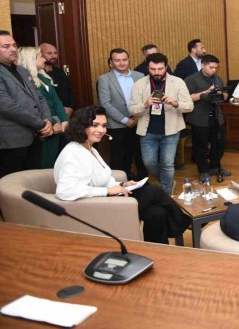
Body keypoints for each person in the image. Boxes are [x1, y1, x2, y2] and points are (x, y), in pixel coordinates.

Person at [54, 106, 190, 244]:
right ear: (81, 126)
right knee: (153, 191)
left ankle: (156, 250)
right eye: (95, 125)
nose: (101, 130)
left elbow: (101, 179)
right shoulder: (73, 153)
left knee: (156, 213)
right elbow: (65, 191)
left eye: (104, 126)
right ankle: (185, 222)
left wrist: (122, 184)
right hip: (94, 209)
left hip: (104, 200)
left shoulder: (89, 148)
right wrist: (107, 191)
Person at [128, 52, 193, 195]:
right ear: (147, 68)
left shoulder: (178, 82)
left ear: (166, 67)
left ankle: (166, 193)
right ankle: (167, 182)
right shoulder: (139, 84)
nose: (157, 72)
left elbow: (190, 106)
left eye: (160, 69)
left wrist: (175, 103)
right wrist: (145, 104)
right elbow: (132, 109)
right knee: (148, 163)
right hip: (147, 131)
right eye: (153, 69)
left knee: (167, 164)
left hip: (171, 130)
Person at [0, 31, 53, 177]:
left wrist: (47, 119)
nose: (13, 49)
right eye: (6, 46)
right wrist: (40, 123)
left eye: (14, 45)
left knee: (31, 179)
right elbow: (7, 106)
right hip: (11, 141)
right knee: (11, 183)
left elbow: (39, 97)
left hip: (34, 137)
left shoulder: (22, 71)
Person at [97, 48, 146, 179]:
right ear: (111, 63)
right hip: (117, 124)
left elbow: (145, 98)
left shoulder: (140, 76)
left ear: (128, 60)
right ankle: (120, 181)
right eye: (117, 60)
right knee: (118, 156)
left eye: (124, 60)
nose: (122, 63)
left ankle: (140, 180)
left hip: (139, 121)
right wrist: (125, 120)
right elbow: (106, 104)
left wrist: (138, 116)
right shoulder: (104, 79)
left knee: (139, 154)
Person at [16, 47, 68, 168]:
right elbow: (33, 107)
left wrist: (64, 120)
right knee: (44, 164)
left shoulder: (43, 77)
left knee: (55, 163)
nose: (44, 59)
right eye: (40, 57)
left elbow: (56, 101)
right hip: (45, 126)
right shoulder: (26, 81)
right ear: (30, 60)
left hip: (57, 126)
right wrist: (53, 122)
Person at [185, 54, 230, 181]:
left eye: (216, 68)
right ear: (203, 65)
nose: (214, 70)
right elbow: (187, 98)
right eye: (211, 67)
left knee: (219, 143)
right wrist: (207, 92)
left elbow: (225, 95)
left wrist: (222, 94)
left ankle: (215, 166)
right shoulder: (191, 79)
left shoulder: (217, 79)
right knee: (201, 146)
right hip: (199, 118)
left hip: (216, 117)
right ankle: (203, 171)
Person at [39, 42, 75, 117]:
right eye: (49, 53)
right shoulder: (38, 75)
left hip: (67, 113)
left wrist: (71, 108)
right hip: (51, 115)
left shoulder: (60, 72)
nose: (53, 56)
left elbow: (70, 92)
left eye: (55, 53)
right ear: (40, 55)